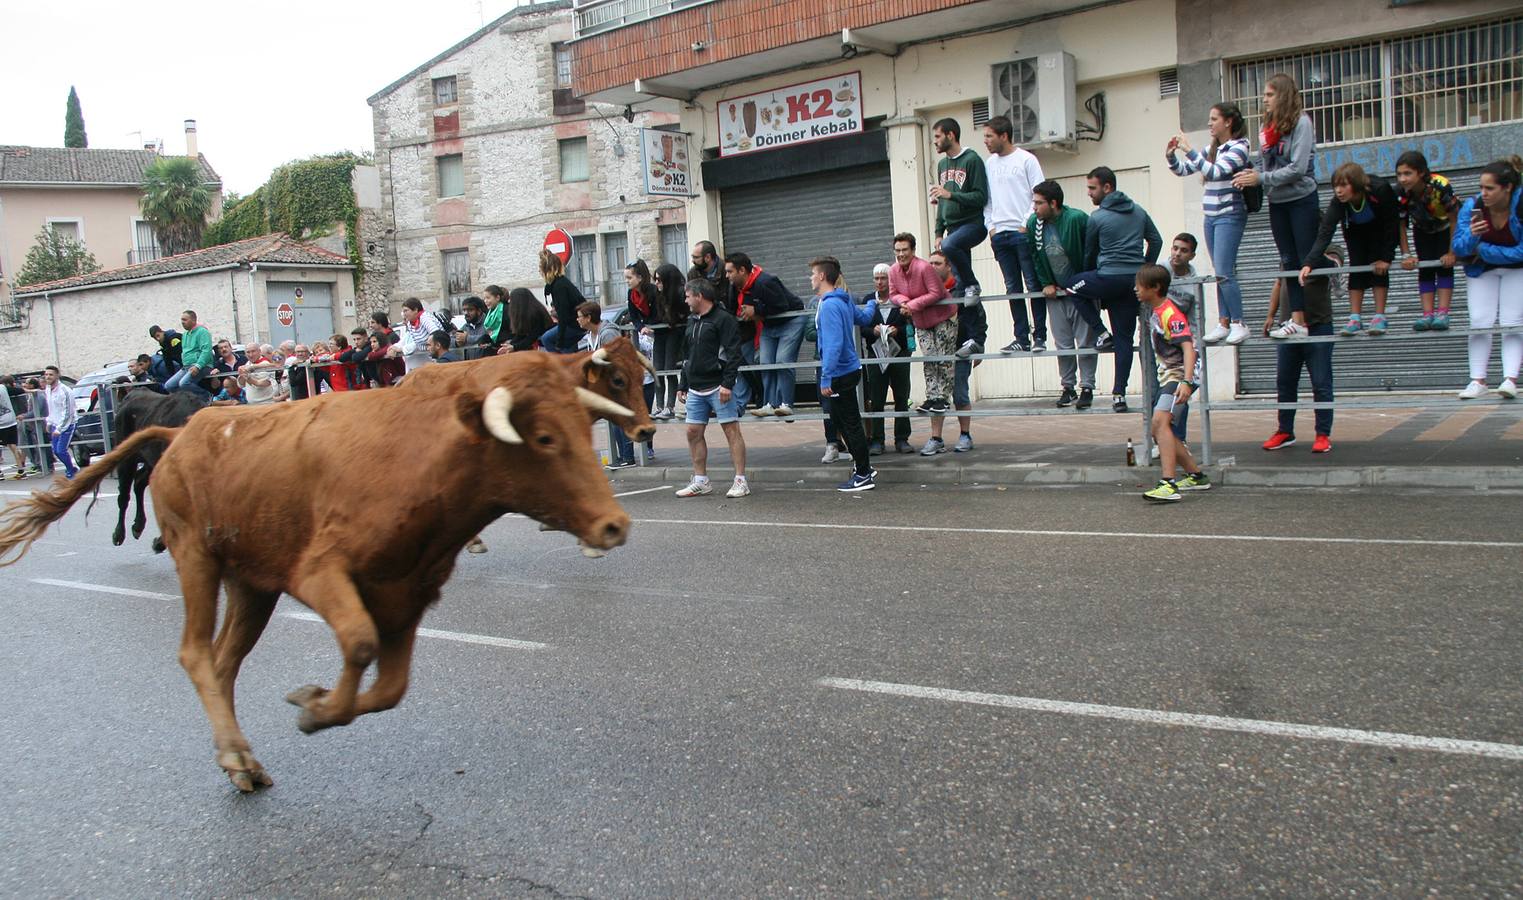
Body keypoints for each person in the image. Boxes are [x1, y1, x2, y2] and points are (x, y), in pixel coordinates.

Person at [1066, 166, 1163, 412]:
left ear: (1107, 187)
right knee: (1125, 339)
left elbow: (1090, 253)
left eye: (1092, 187)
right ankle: (1119, 395)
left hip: (1107, 278)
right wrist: (1145, 270)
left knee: (1071, 287)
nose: (1089, 193)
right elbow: (1157, 240)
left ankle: (1100, 332)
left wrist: (1092, 279)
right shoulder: (1139, 211)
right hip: (1133, 284)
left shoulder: (1097, 217)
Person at [1234, 73, 1319, 339]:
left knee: (1306, 257)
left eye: (1269, 95)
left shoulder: (1302, 123)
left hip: (1301, 198)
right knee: (1288, 259)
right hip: (1277, 201)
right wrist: (1249, 176)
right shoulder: (1268, 125)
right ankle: (1296, 319)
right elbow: (1263, 162)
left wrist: (1262, 178)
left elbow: (1298, 168)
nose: (1264, 100)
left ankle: (1310, 317)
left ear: (1282, 95)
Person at [1167, 101, 1252, 345]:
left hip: (1229, 215)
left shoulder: (1239, 147)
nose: (1209, 123)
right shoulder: (1212, 148)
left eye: (1214, 119)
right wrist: (1171, 155)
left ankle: (1238, 322)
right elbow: (1183, 170)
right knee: (1219, 272)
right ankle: (1224, 322)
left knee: (1225, 271)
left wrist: (1189, 149)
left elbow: (1216, 172)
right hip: (1211, 216)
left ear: (1228, 122)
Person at [1135, 264, 1210, 502]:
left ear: (1155, 288)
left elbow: (1189, 347)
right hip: (1170, 375)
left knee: (1160, 422)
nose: (1136, 290)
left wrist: (1187, 381)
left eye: (1139, 285)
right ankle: (1196, 476)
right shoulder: (1156, 311)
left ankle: (1168, 483)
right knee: (1160, 427)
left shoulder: (1170, 313)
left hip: (1179, 375)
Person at [1300, 163, 1400, 337]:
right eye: (1336, 186)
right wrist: (1309, 262)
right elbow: (1325, 232)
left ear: (1356, 184)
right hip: (1355, 229)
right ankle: (1355, 318)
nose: (1338, 191)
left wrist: (1387, 257)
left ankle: (1379, 316)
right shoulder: (1338, 202)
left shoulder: (1380, 190)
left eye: (1343, 185)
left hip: (1379, 227)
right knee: (1356, 264)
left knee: (1378, 266)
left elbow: (1393, 224)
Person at [1453, 156, 1523, 401]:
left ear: (1508, 188)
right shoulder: (1473, 206)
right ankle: (1477, 380)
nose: (1484, 193)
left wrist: (1483, 250)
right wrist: (1473, 237)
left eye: (1490, 188)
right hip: (1482, 271)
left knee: (1512, 321)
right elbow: (1459, 248)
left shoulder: (1521, 203)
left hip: (1518, 269)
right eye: (1481, 187)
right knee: (1479, 321)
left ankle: (1510, 379)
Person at [676, 278, 749, 498]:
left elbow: (734, 353)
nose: (686, 300)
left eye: (688, 295)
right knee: (692, 432)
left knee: (731, 431)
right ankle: (701, 481)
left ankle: (740, 480)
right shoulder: (692, 321)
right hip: (696, 388)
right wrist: (683, 383)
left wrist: (728, 383)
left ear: (699, 296)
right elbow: (687, 355)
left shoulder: (723, 319)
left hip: (719, 386)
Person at [1264, 244, 1341, 454]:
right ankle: (1285, 431)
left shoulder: (1331, 249)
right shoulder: (1288, 250)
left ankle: (1323, 434)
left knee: (1321, 382)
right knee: (1285, 382)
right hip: (1288, 327)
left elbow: (1335, 267)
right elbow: (1280, 283)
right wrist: (1271, 315)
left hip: (1318, 325)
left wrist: (1312, 250)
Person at [1026, 180, 1096, 409]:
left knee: (1085, 340)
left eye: (1039, 203)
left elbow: (1092, 250)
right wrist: (1046, 282)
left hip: (1081, 291)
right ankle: (1068, 387)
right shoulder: (1033, 223)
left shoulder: (1076, 219)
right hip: (1056, 293)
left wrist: (1087, 282)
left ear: (1053, 203)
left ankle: (1087, 386)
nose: (1034, 207)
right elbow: (1035, 257)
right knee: (1063, 342)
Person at [812, 256, 878, 492]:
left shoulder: (829, 304)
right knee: (845, 421)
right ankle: (864, 469)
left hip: (839, 373)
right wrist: (873, 302)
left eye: (813, 274)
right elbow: (864, 318)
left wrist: (826, 376)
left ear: (821, 276)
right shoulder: (842, 299)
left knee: (849, 424)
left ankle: (863, 474)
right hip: (849, 370)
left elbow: (833, 344)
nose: (810, 278)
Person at [887, 232, 956, 454]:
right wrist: (905, 302)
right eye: (897, 250)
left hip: (943, 317)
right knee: (928, 358)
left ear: (913, 250)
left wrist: (913, 304)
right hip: (920, 320)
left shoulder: (923, 268)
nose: (900, 254)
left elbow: (936, 292)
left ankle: (942, 398)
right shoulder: (893, 270)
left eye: (904, 250)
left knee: (942, 358)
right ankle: (932, 396)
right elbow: (893, 293)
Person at [984, 115, 1047, 354]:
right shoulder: (989, 164)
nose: (986, 141)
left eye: (990, 136)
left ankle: (1039, 335)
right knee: (1012, 287)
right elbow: (987, 200)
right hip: (1000, 234)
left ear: (1004, 135)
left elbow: (1038, 193)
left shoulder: (1027, 160)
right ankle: (1021, 337)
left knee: (1033, 284)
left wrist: (1025, 224)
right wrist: (991, 226)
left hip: (1023, 232)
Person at [931, 117, 990, 360]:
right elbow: (941, 203)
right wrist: (938, 231)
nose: (935, 142)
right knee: (960, 291)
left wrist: (951, 194)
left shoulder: (972, 159)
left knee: (953, 251)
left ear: (951, 135)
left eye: (937, 136)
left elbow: (980, 197)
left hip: (973, 224)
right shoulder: (942, 164)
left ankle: (973, 284)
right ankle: (975, 339)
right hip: (952, 228)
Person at [722, 252, 805, 418]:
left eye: (730, 271)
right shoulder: (734, 288)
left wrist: (757, 310)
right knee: (765, 363)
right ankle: (769, 403)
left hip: (790, 320)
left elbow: (782, 305)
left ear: (742, 271)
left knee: (782, 361)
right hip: (769, 324)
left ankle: (786, 403)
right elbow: (732, 310)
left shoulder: (765, 281)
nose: (727, 275)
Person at [1395, 151, 1460, 332]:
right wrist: (1406, 254)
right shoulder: (1400, 192)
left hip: (1445, 227)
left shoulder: (1440, 185)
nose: (1403, 179)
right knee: (1425, 268)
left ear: (1421, 173)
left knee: (1445, 267)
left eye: (1407, 174)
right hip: (1421, 229)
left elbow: (1455, 219)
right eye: (1399, 174)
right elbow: (1400, 225)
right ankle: (1427, 313)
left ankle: (1443, 312)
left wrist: (1452, 251)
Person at [862, 263, 914, 454]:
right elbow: (861, 326)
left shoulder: (900, 299)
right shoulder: (868, 300)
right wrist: (872, 330)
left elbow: (910, 323)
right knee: (876, 398)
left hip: (898, 352)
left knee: (901, 396)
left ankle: (902, 438)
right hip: (875, 354)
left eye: (883, 278)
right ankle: (877, 440)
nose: (880, 282)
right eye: (876, 278)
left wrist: (897, 330)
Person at [930, 251, 976, 452]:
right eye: (930, 263)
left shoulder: (961, 289)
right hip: (937, 351)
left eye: (937, 263)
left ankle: (965, 435)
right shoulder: (929, 290)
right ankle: (936, 438)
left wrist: (977, 344)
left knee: (960, 394)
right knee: (936, 396)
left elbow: (977, 319)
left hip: (959, 349)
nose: (932, 267)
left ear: (948, 266)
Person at [649, 262, 688, 420]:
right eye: (656, 280)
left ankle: (669, 406)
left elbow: (682, 315)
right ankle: (659, 406)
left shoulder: (679, 293)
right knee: (657, 370)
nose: (657, 283)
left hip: (674, 334)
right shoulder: (658, 294)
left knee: (669, 369)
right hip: (661, 334)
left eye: (659, 280)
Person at [540, 250, 586, 353]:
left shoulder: (559, 287)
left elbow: (563, 316)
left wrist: (559, 342)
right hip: (576, 323)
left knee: (546, 339)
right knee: (566, 345)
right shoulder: (561, 283)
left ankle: (560, 365)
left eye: (540, 269)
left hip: (575, 324)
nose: (540, 272)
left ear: (546, 270)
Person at [164, 309, 213, 396]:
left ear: (194, 320)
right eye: (181, 320)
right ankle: (188, 399)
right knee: (169, 386)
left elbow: (206, 351)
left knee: (184, 383)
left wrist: (197, 366)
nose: (182, 322)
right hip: (186, 367)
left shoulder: (202, 332)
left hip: (202, 366)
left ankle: (207, 397)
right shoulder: (185, 335)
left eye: (185, 320)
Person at [41, 366, 78, 479]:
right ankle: (71, 468)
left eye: (51, 374)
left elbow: (68, 412)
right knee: (56, 451)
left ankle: (71, 470)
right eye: (46, 374)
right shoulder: (48, 389)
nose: (48, 377)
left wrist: (59, 429)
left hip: (67, 424)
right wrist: (49, 422)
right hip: (55, 423)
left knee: (61, 450)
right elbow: (51, 408)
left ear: (57, 375)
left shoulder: (65, 391)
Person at [397, 297, 447, 372]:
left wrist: (403, 349)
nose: (404, 314)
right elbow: (417, 343)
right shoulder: (410, 324)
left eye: (406, 311)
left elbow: (436, 334)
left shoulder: (425, 317)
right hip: (429, 357)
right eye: (403, 311)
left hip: (439, 356)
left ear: (416, 310)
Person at [502, 287, 554, 353]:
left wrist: (515, 347)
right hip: (540, 343)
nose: (510, 302)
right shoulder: (529, 312)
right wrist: (511, 344)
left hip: (545, 346)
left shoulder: (535, 313)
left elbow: (532, 336)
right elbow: (521, 334)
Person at [0, 377, 26, 479]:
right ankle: (21, 470)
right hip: (10, 420)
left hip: (1, 423)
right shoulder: (3, 387)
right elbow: (18, 390)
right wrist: (30, 390)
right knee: (13, 446)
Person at [481, 285, 508, 352]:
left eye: (488, 298)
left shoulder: (507, 309)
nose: (485, 301)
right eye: (484, 299)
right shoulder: (488, 312)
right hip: (494, 349)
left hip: (506, 348)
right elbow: (491, 332)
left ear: (497, 298)